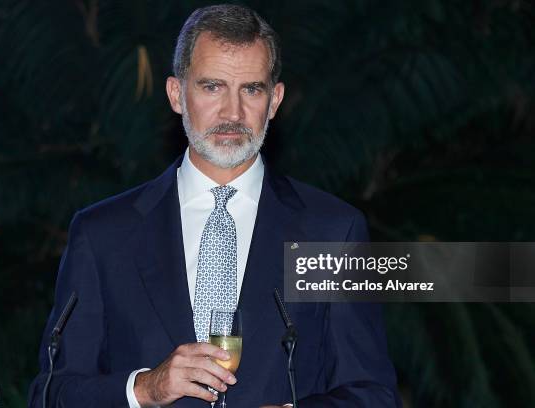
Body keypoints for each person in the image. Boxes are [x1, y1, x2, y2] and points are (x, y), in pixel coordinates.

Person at [28, 4, 400, 407]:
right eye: (212, 87)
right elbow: (50, 395)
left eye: (251, 90)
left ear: (274, 101)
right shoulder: (103, 234)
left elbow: (373, 394)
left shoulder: (333, 232)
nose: (232, 113)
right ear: (176, 94)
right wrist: (145, 388)